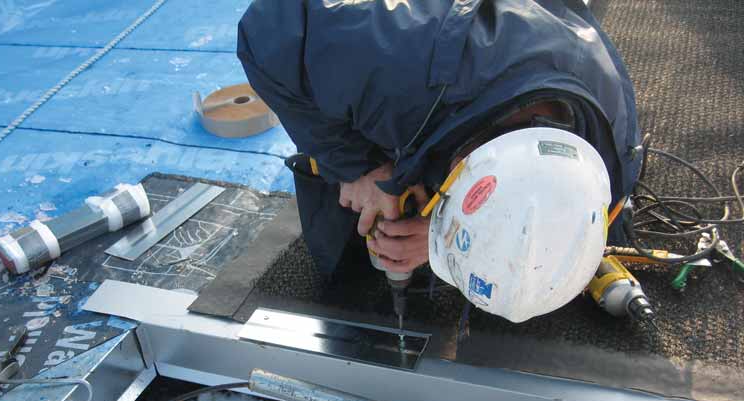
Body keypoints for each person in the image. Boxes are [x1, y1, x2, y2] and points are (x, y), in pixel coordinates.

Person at [237, 0, 642, 320]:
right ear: (462, 164)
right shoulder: (391, 66)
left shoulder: (615, 160)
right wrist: (357, 166)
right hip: (424, 42)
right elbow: (265, 31)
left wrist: (438, 239)